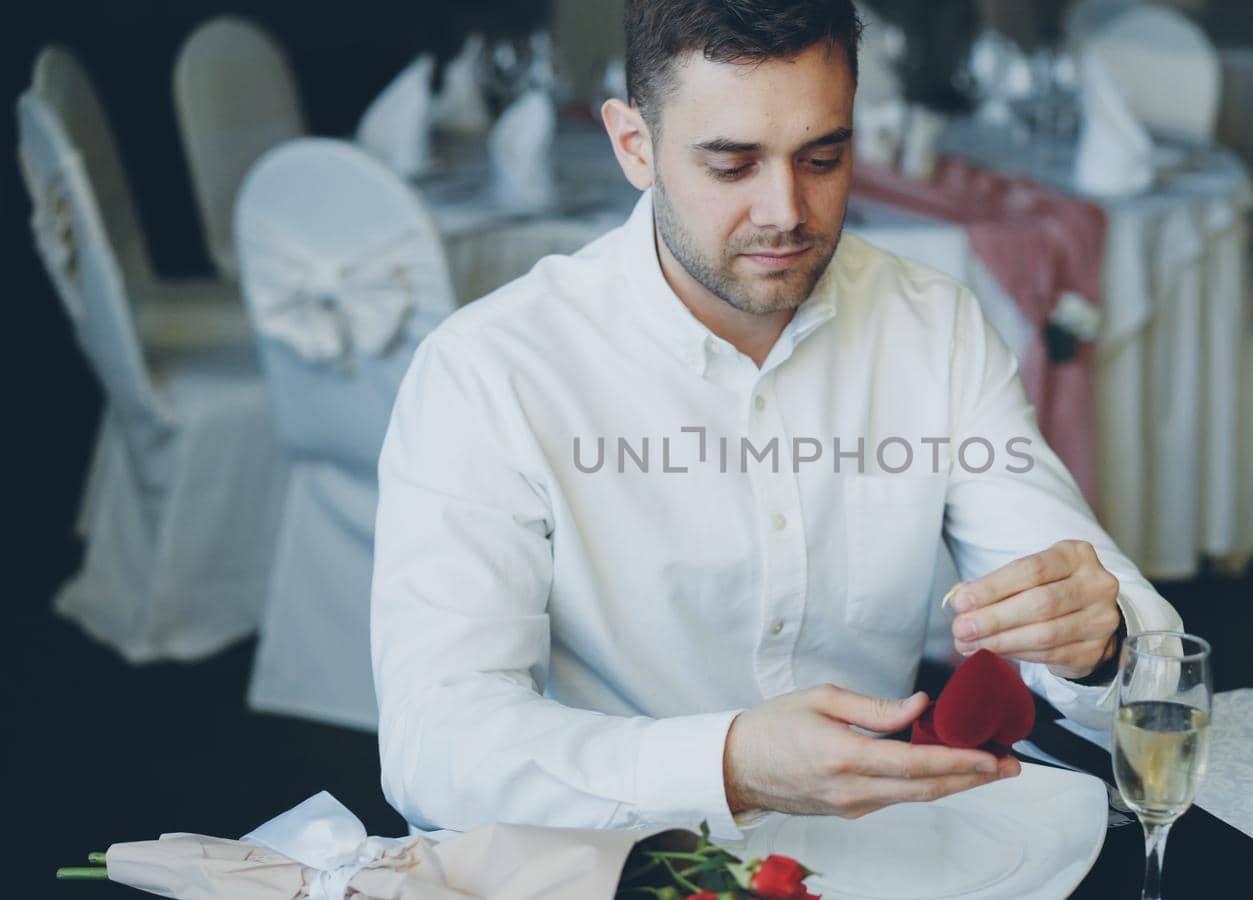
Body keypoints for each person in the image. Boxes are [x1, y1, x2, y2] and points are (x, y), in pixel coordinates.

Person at [370, 0, 1181, 839]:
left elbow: (1152, 670)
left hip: (893, 855)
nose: (784, 211)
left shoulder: (934, 327)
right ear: (633, 144)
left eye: (822, 157)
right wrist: (728, 764)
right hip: (618, 862)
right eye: (731, 165)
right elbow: (435, 748)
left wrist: (1101, 643)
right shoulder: (488, 370)